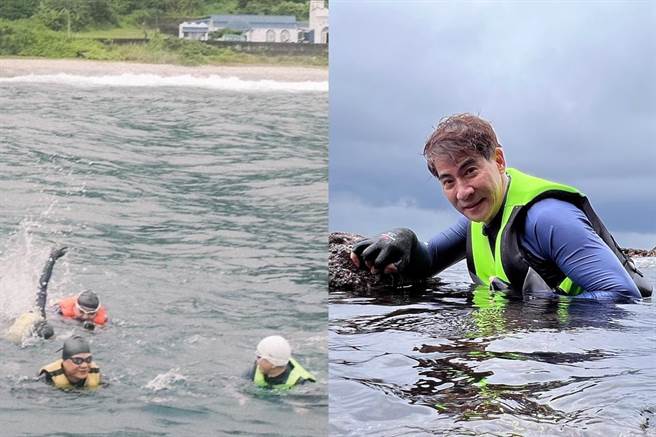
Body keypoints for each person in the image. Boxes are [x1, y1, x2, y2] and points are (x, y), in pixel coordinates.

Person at [351, 113, 652, 301]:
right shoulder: (480, 219)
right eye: (448, 181)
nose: (463, 192)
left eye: (470, 171)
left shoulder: (547, 218)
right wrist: (401, 239)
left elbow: (621, 296)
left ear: (498, 161)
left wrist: (536, 305)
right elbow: (427, 260)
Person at [4, 246, 68, 343]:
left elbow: (43, 284)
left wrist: (52, 259)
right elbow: (43, 284)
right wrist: (52, 259)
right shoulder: (38, 314)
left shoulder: (37, 314)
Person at [247, 335, 316, 389]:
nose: (257, 361)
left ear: (273, 364)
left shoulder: (301, 383)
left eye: (259, 357)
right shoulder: (256, 369)